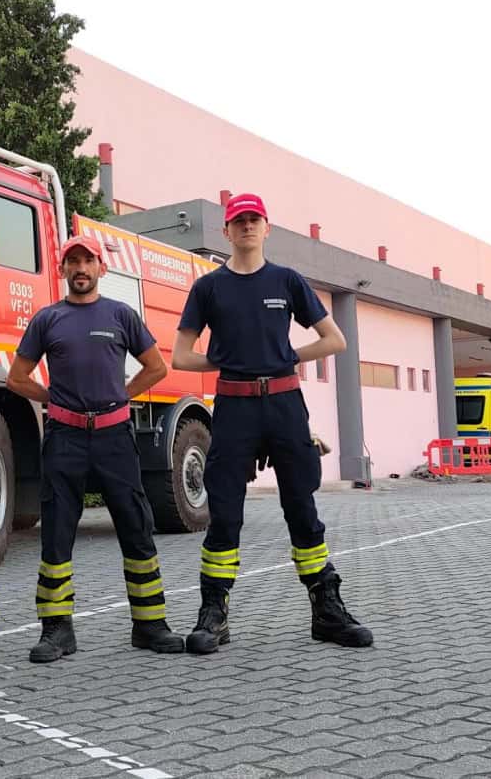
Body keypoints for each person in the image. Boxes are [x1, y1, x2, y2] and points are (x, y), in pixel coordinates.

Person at [172, 193, 373, 653]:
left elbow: (335, 339)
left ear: (267, 228)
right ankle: (214, 614)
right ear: (225, 230)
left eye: (254, 219)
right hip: (234, 407)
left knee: (301, 508)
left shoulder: (287, 281)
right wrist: (229, 359)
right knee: (225, 512)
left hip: (284, 405)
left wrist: (285, 356)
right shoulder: (208, 288)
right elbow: (181, 355)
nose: (246, 225)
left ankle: (327, 611)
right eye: (238, 220)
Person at [7, 235, 185, 663]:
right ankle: (56, 631)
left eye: (88, 260)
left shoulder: (121, 315)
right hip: (64, 438)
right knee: (56, 533)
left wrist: (123, 395)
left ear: (101, 268)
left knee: (135, 526)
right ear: (63, 269)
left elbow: (156, 367)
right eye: (73, 261)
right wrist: (52, 399)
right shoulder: (48, 319)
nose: (81, 268)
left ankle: (150, 625)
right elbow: (16, 377)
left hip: (114, 437)